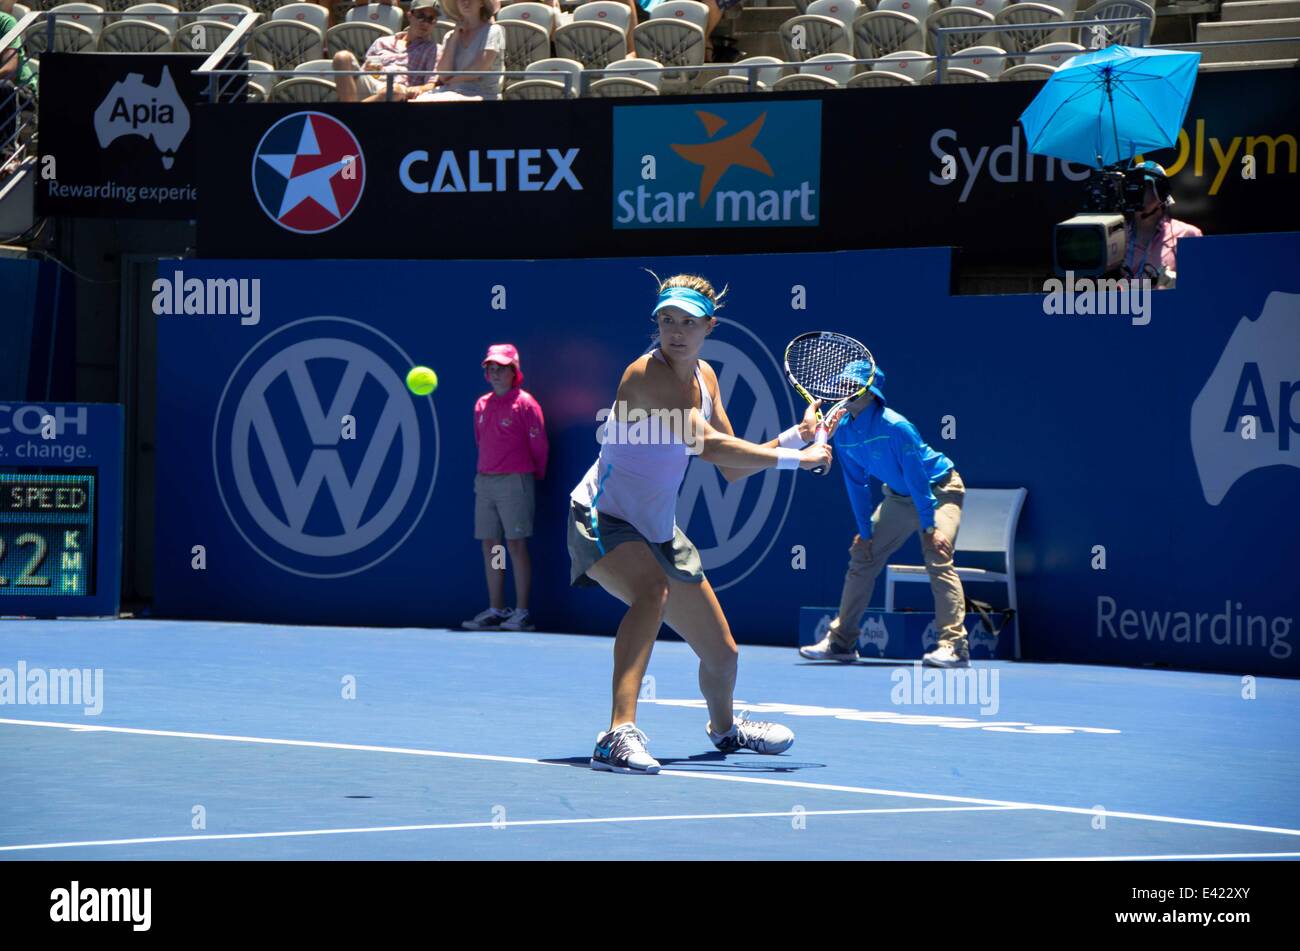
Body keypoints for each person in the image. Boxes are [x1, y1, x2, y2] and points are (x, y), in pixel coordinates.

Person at [569, 274, 833, 774]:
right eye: (667, 320)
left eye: (688, 322)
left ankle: (725, 731)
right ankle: (616, 734)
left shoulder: (707, 379)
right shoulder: (643, 374)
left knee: (724, 655)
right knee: (651, 592)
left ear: (709, 326)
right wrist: (802, 460)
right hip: (602, 516)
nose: (676, 330)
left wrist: (796, 438)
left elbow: (733, 468)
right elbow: (705, 446)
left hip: (657, 527)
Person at [799, 364, 972, 669]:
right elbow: (856, 485)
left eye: (851, 385)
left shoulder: (896, 427)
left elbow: (919, 481)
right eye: (841, 386)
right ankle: (841, 642)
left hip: (940, 489)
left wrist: (930, 526)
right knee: (862, 556)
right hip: (899, 497)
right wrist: (865, 534)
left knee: (937, 553)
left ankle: (954, 646)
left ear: (869, 391)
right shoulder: (844, 434)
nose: (843, 391)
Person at [464, 344, 548, 633]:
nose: (496, 373)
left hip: (516, 481)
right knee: (491, 544)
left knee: (515, 544)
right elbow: (480, 441)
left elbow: (539, 446)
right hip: (485, 481)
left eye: (502, 368)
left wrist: (531, 475)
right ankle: (497, 609)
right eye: (491, 368)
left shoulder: (526, 404)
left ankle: (522, 611)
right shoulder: (481, 405)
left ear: (515, 372)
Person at [332, 0, 440, 102]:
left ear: (435, 23)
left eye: (431, 19)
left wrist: (417, 89)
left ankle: (349, 113)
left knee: (393, 90)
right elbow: (366, 70)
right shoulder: (382, 41)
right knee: (342, 57)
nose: (425, 23)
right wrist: (371, 68)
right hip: (372, 83)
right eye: (421, 16)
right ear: (409, 16)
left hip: (398, 92)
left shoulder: (434, 49)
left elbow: (431, 84)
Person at [1121, 160, 1202, 290]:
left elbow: (1201, 288)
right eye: (1132, 187)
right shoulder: (1114, 236)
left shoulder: (1188, 234)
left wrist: (1176, 281)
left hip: (1167, 308)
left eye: (1145, 186)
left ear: (1162, 193)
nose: (1136, 193)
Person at [418, 0, 505, 101]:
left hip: (482, 94)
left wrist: (450, 80)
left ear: (481, 3)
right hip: (450, 92)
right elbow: (443, 74)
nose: (466, 2)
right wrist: (454, 37)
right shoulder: (450, 36)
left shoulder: (493, 31)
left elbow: (479, 69)